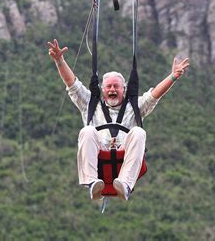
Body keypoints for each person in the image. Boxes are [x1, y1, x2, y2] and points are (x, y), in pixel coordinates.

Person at [47, 39, 190, 201]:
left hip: (123, 156)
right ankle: (93, 183)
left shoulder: (135, 106)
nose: (112, 90)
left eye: (116, 86)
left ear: (124, 89)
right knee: (87, 131)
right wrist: (59, 60)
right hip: (99, 155)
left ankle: (125, 184)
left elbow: (155, 94)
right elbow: (72, 84)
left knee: (138, 132)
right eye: (109, 87)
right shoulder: (90, 104)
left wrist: (173, 77)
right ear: (102, 90)